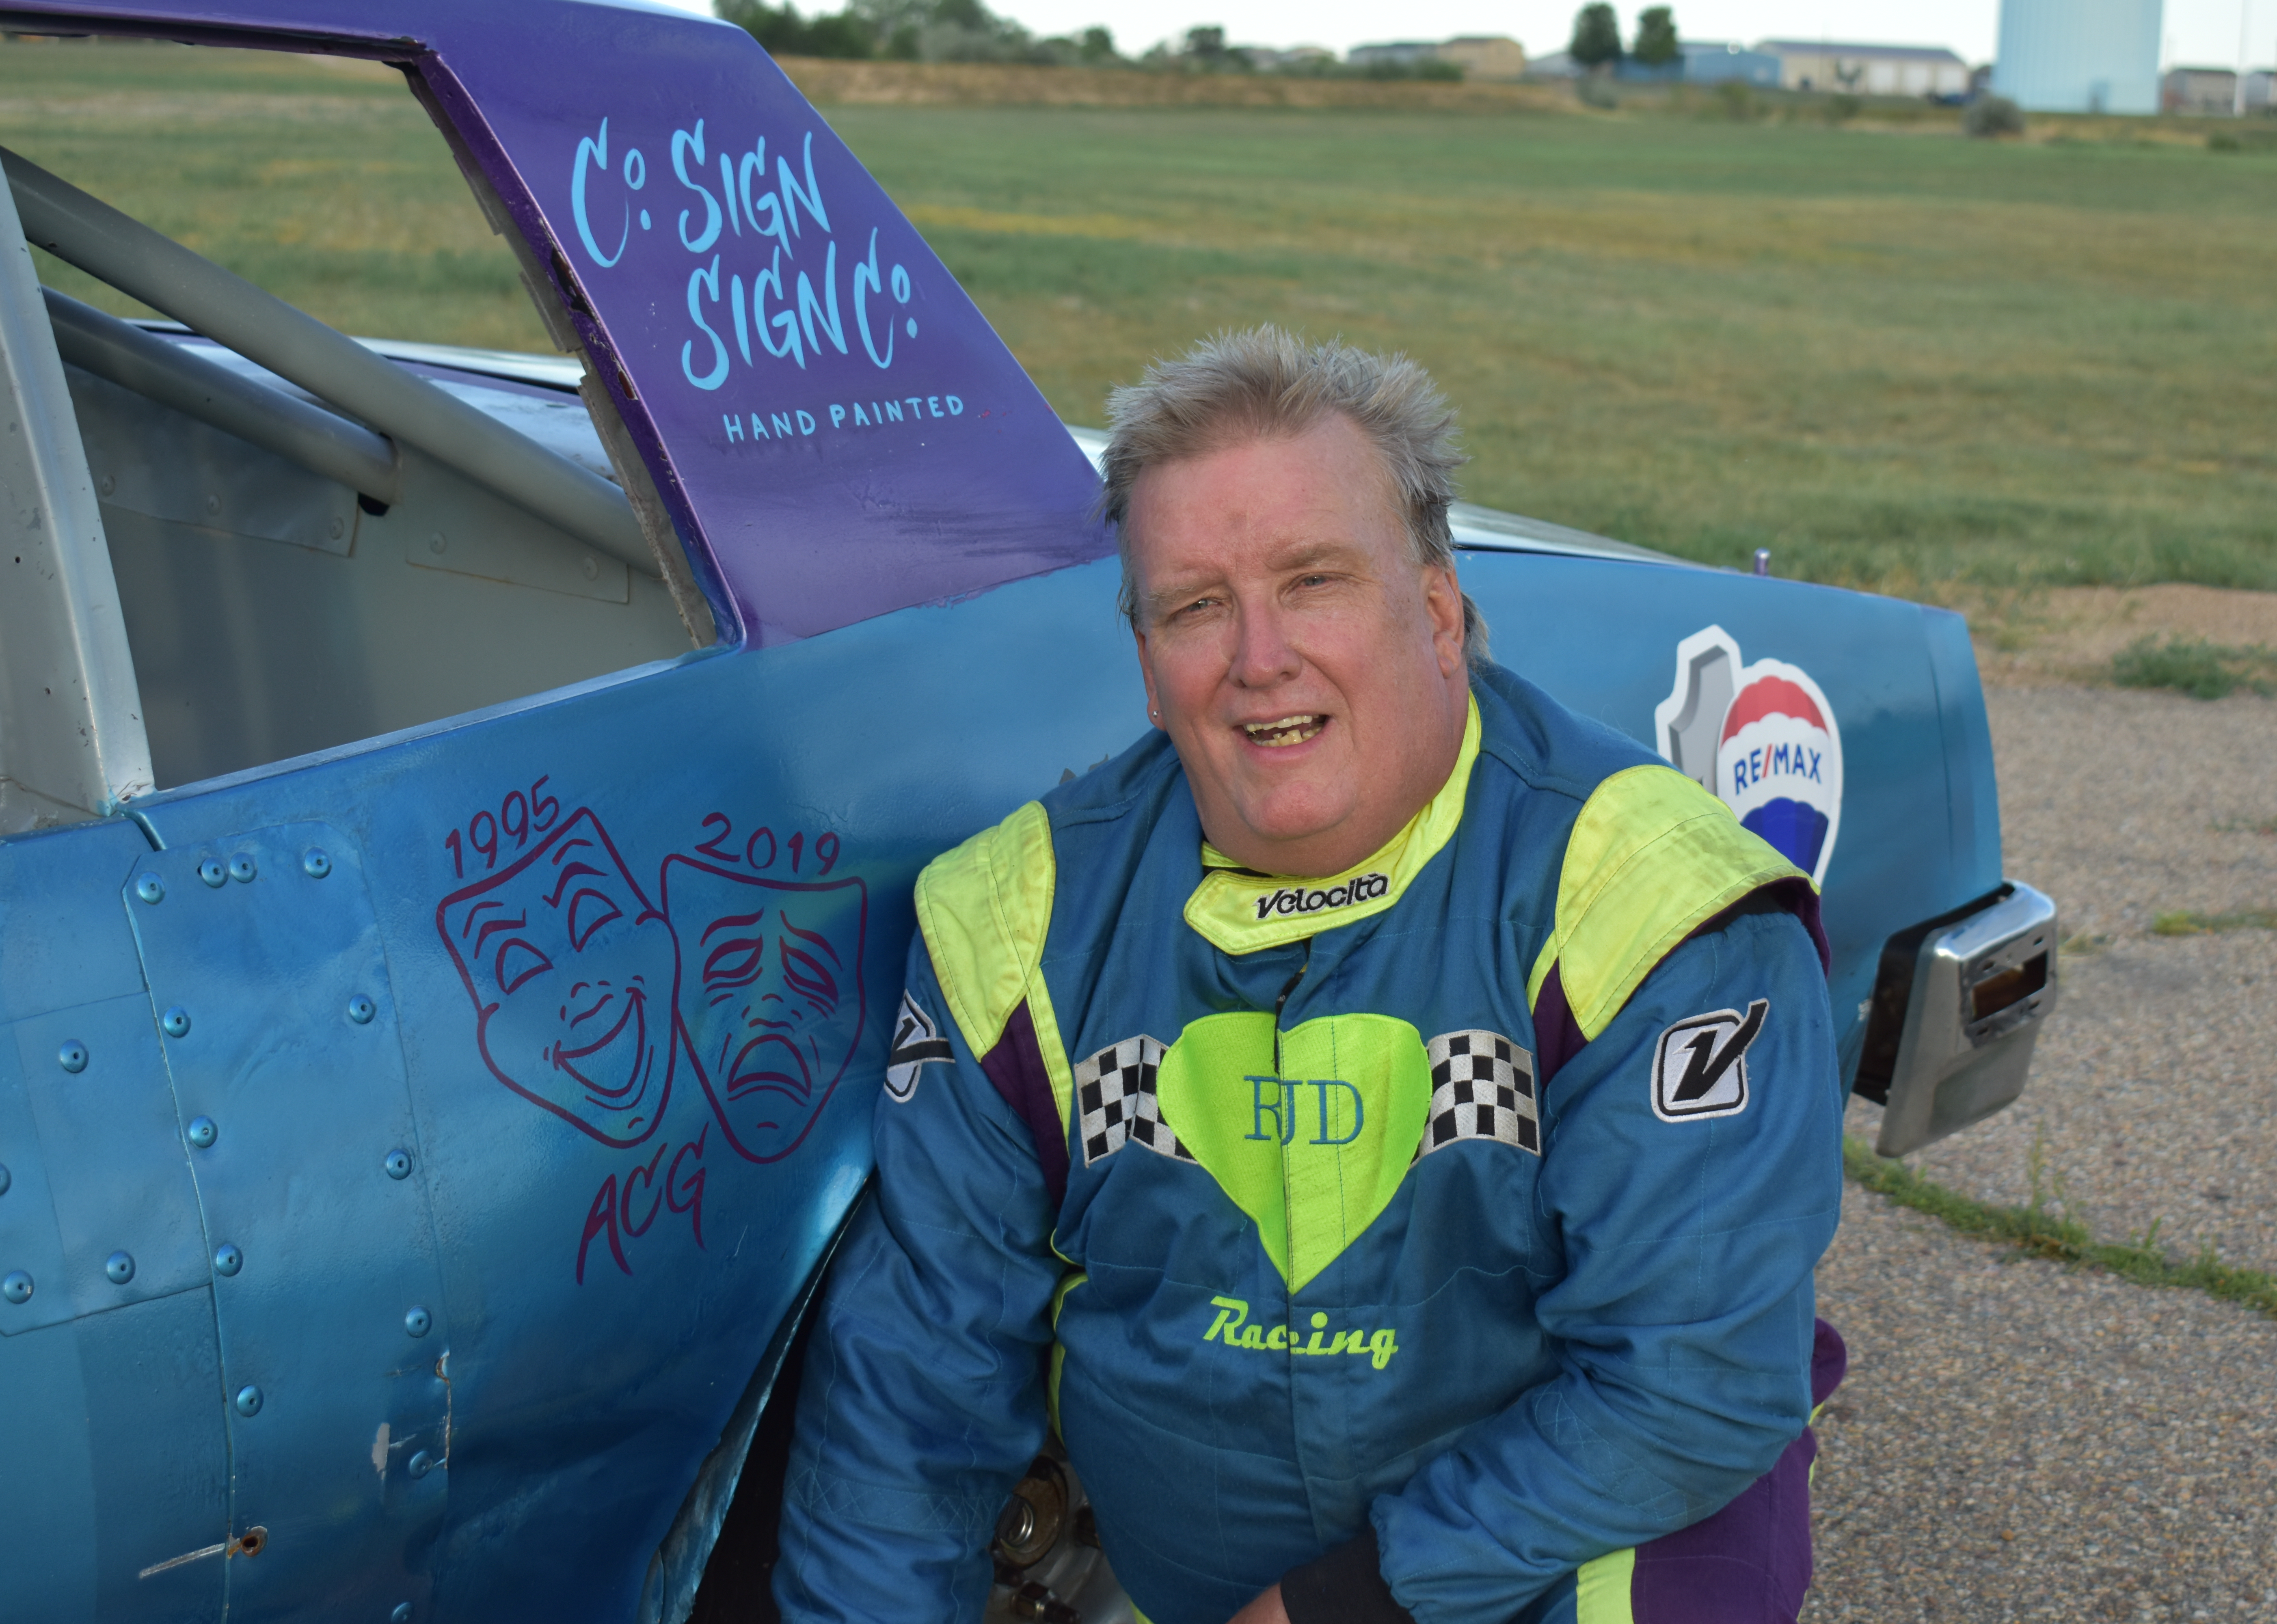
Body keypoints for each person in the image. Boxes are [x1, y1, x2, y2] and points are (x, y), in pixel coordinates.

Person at [776, 328, 1845, 1624]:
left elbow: (1692, 1380)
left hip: (1576, 1548)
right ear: (1147, 664)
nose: (1259, 657)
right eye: (1194, 606)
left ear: (1439, 612)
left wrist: (1333, 1608)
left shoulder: (1652, 897)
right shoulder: (1009, 921)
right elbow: (910, 1399)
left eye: (1314, 581)